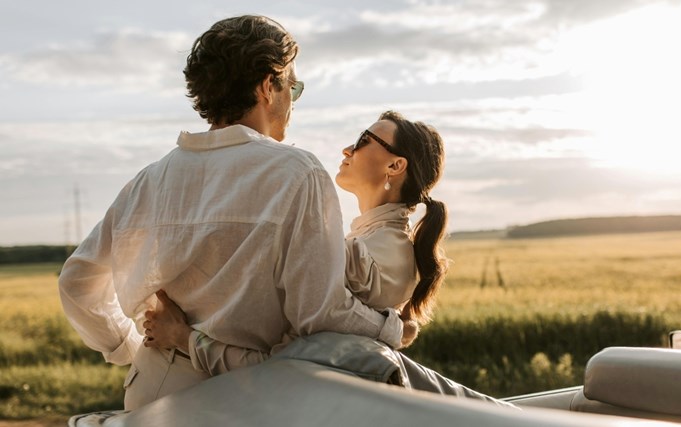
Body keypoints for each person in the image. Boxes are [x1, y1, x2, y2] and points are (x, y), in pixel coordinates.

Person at [57, 15, 410, 411]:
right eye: (292, 86)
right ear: (267, 86)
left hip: (151, 392)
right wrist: (390, 327)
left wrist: (127, 346)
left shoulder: (151, 179)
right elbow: (318, 313)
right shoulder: (299, 173)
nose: (292, 100)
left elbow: (76, 282)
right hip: (248, 397)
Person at [143, 112, 519, 409]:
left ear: (395, 166)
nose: (346, 150)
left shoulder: (380, 262)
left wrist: (186, 338)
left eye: (362, 141)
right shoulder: (368, 246)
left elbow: (285, 366)